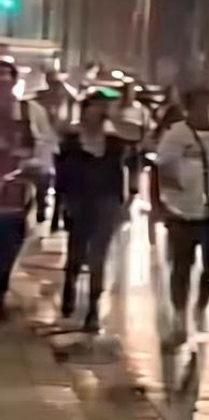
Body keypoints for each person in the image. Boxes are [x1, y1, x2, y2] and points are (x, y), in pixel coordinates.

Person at [155, 88, 209, 344]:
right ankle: (180, 317)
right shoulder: (177, 135)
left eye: (207, 105)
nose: (203, 111)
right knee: (182, 266)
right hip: (182, 212)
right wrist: (171, 196)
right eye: (199, 105)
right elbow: (164, 168)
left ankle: (200, 307)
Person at [57, 94, 130, 331]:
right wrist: (63, 203)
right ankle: (70, 286)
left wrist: (123, 204)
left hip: (106, 201)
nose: (98, 112)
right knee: (76, 253)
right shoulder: (70, 142)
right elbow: (62, 176)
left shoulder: (114, 143)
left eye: (102, 108)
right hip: (79, 200)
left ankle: (93, 308)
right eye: (94, 108)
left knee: (99, 256)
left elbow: (138, 140)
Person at [0, 61, 54, 320]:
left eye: (5, 79)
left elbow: (46, 148)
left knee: (8, 248)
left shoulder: (30, 112)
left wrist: (30, 166)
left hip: (14, 197)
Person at [33, 72, 76, 229]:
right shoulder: (40, 98)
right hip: (44, 142)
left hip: (63, 142)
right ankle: (42, 208)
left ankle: (62, 212)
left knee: (62, 181)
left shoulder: (68, 99)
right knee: (43, 178)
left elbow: (76, 99)